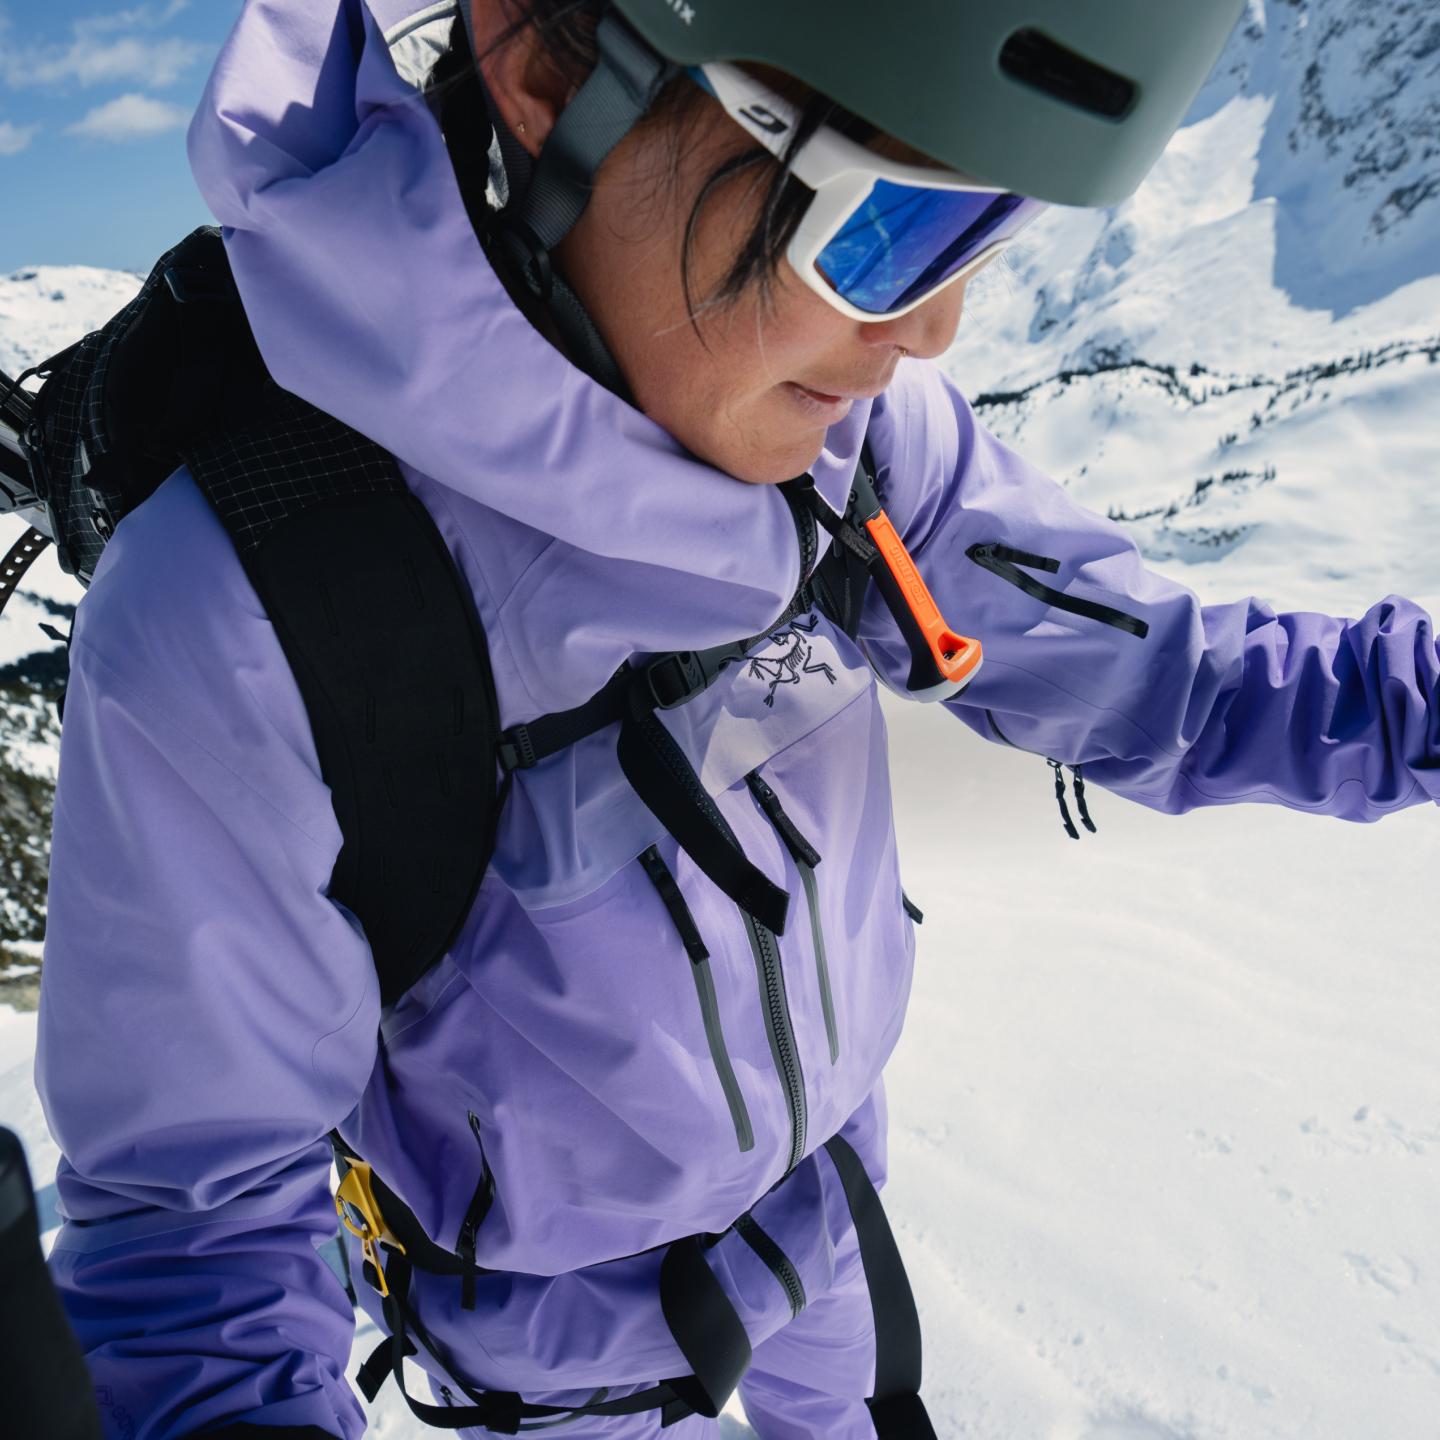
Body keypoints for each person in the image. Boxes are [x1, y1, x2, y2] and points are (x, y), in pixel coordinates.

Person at [33, 1, 1439, 1438]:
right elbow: (197, 1250)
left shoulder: (847, 449)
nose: (930, 332)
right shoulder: (250, 607)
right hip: (563, 1359)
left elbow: (1173, 682)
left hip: (826, 1227)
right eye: (888, 225)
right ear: (551, 65)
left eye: (987, 229)